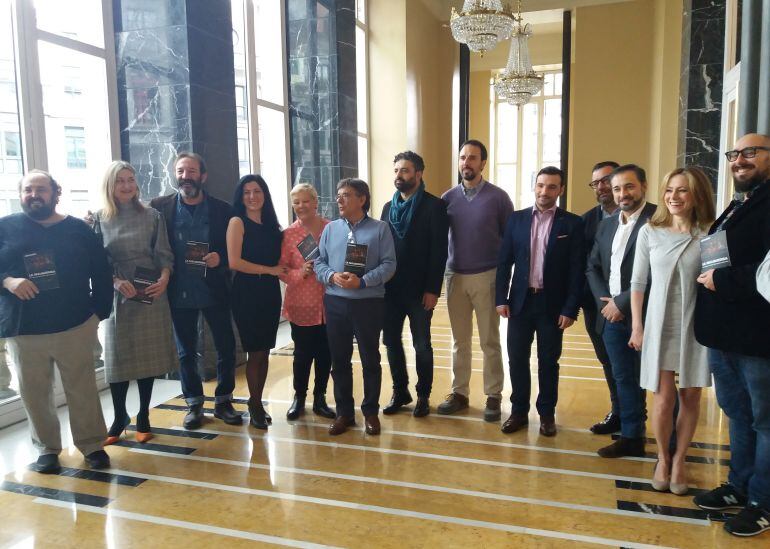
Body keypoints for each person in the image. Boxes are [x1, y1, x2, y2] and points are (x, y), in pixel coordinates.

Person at [0, 170, 112, 473]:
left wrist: (98, 313)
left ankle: (92, 446)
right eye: (27, 190)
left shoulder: (77, 229)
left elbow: (101, 271)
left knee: (83, 389)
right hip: (24, 329)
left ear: (55, 194)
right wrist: (8, 281)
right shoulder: (5, 227)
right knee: (34, 393)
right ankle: (47, 449)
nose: (34, 195)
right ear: (21, 194)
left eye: (41, 189)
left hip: (74, 324)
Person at [693, 133, 770, 537]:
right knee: (738, 415)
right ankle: (740, 486)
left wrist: (721, 280)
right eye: (734, 153)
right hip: (725, 335)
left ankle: (763, 502)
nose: (739, 159)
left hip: (757, 337)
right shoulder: (741, 202)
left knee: (765, 421)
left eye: (751, 152)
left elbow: (766, 272)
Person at [627, 167, 715, 495]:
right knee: (663, 399)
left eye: (682, 191)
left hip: (696, 323)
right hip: (659, 323)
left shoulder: (710, 232)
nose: (673, 197)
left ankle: (681, 459)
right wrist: (637, 326)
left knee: (690, 394)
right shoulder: (651, 231)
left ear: (697, 196)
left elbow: (716, 278)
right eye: (669, 190)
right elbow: (637, 283)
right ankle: (663, 457)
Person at [150, 152, 242, 430]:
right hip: (179, 290)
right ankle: (193, 404)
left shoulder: (223, 209)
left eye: (191, 171)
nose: (185, 177)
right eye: (180, 171)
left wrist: (221, 259)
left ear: (203, 176)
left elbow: (238, 246)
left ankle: (224, 402)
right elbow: (132, 220)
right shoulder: (159, 207)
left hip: (213, 288)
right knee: (185, 351)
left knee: (226, 347)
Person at [495, 166, 585, 437]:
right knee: (517, 360)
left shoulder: (572, 224)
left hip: (552, 306)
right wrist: (501, 298)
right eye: (541, 185)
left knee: (548, 361)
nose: (545, 191)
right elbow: (504, 263)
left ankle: (546, 414)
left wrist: (570, 308)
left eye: (551, 187)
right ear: (534, 186)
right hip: (520, 304)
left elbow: (576, 270)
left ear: (561, 190)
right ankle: (519, 411)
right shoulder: (516, 220)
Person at [95, 161, 177, 444]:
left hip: (150, 292)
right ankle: (119, 416)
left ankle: (143, 415)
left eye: (130, 179)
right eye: (120, 181)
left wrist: (165, 278)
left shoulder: (152, 215)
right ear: (110, 185)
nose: (127, 185)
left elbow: (164, 253)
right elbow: (97, 263)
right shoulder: (99, 219)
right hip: (119, 296)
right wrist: (116, 282)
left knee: (148, 357)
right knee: (117, 359)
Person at [315, 178, 396, 436]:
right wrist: (331, 276)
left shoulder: (380, 229)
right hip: (336, 302)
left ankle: (371, 412)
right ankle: (344, 413)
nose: (339, 200)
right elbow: (318, 261)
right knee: (339, 360)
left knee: (370, 359)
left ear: (362, 199)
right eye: (338, 195)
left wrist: (362, 282)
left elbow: (388, 265)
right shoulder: (330, 230)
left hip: (368, 303)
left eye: (346, 195)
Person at [439, 140, 513, 421]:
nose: (466, 163)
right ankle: (460, 392)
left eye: (472, 158)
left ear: (483, 163)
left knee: (489, 340)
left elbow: (509, 242)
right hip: (455, 276)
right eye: (462, 158)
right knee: (460, 341)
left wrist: (504, 282)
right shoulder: (447, 198)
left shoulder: (499, 198)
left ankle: (493, 395)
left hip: (487, 276)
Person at [586, 164, 656, 458]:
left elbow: (657, 272)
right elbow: (593, 266)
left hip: (648, 314)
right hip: (611, 315)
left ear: (643, 186)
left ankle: (672, 437)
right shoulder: (607, 224)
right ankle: (631, 435)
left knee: (658, 380)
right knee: (623, 376)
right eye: (617, 189)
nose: (622, 193)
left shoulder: (659, 220)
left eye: (629, 187)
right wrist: (606, 302)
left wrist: (621, 302)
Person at [380, 151, 448, 417]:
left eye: (405, 171)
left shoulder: (435, 206)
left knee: (422, 344)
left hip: (421, 291)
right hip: (390, 290)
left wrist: (433, 289)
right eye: (397, 170)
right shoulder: (388, 207)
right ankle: (400, 391)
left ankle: (422, 395)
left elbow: (439, 251)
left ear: (418, 174)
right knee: (391, 342)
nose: (400, 175)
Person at [226, 174, 286, 429]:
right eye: (247, 192)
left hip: (270, 293)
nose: (252, 196)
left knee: (264, 351)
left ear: (265, 194)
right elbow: (234, 262)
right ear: (241, 197)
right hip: (246, 293)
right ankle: (255, 403)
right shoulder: (237, 222)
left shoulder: (273, 225)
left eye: (257, 191)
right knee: (255, 352)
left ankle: (257, 402)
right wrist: (269, 270)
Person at [279, 184, 335, 421]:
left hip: (331, 303)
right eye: (296, 202)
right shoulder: (289, 235)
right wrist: (298, 273)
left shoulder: (331, 228)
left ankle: (320, 398)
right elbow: (282, 269)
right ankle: (299, 397)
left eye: (305, 201)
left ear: (315, 201)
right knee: (302, 354)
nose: (301, 206)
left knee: (325, 354)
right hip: (302, 303)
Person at [581, 161, 620, 434]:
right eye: (596, 183)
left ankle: (633, 416)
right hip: (596, 305)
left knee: (633, 365)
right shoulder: (587, 220)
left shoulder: (649, 217)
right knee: (607, 359)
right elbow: (584, 265)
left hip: (632, 304)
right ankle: (618, 410)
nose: (602, 186)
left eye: (607, 180)